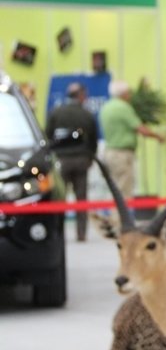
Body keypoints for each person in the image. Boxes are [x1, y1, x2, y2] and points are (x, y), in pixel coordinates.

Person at [45, 82, 98, 242]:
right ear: (80, 96)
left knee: (60, 198)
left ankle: (58, 233)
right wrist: (90, 157)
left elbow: (48, 136)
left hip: (62, 161)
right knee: (81, 199)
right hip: (82, 160)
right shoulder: (87, 114)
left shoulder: (56, 113)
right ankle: (81, 234)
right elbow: (93, 139)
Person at [98, 80, 166, 200]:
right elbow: (140, 129)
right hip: (122, 154)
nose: (130, 95)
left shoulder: (106, 108)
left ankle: (116, 217)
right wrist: (158, 136)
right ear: (123, 94)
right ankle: (121, 218)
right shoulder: (123, 108)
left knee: (116, 187)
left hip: (110, 152)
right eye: (128, 92)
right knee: (124, 189)